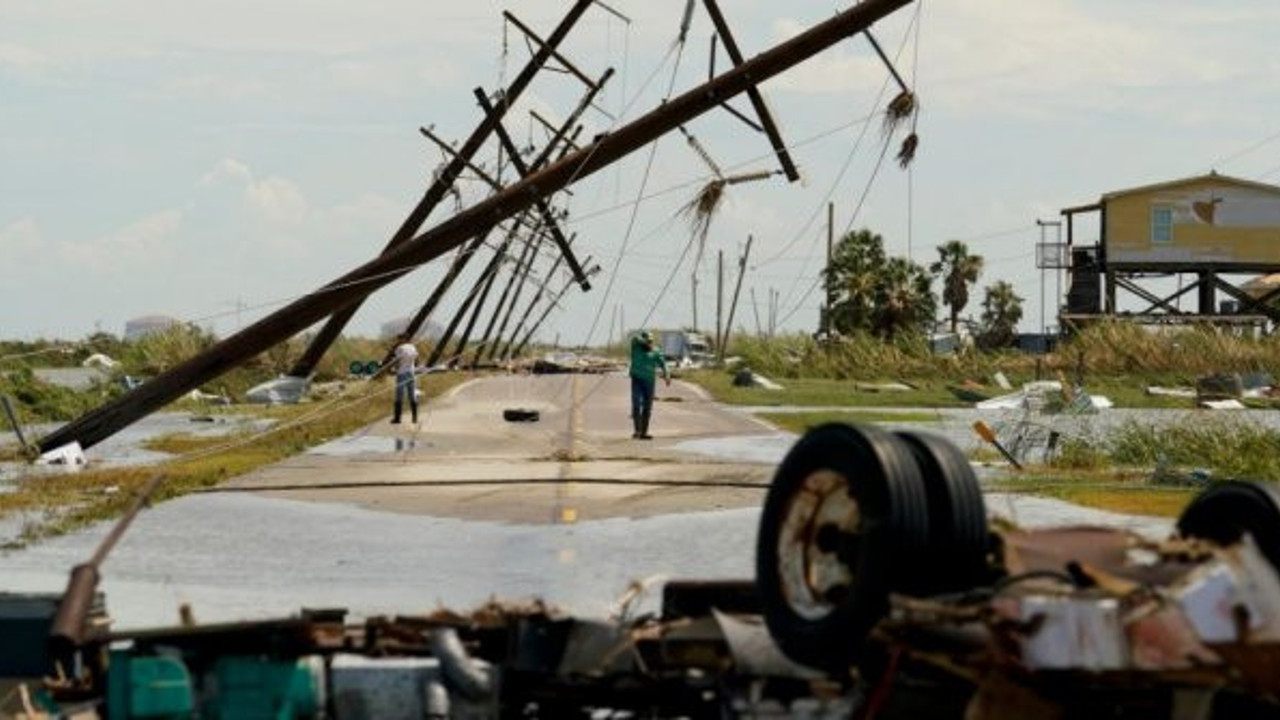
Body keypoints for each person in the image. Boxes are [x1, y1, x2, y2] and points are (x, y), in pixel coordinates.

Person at [628, 330, 670, 440]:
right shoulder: (636, 348)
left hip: (649, 382)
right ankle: (637, 431)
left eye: (651, 341)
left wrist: (667, 375)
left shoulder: (656, 351)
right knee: (636, 403)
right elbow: (635, 338)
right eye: (648, 341)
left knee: (647, 407)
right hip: (637, 380)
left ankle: (644, 432)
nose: (649, 343)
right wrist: (644, 342)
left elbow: (663, 363)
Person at [391, 341, 420, 424]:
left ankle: (397, 418)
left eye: (398, 339)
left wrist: (394, 369)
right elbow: (416, 359)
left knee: (399, 395)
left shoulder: (399, 348)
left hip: (401, 373)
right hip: (411, 373)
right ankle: (415, 418)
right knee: (412, 394)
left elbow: (397, 362)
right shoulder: (412, 347)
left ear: (402, 339)